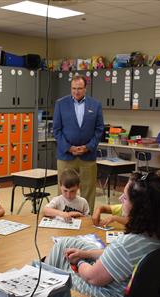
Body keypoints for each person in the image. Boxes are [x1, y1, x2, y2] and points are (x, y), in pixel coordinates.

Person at [46, 172, 160, 297]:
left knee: (59, 271)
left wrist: (78, 262)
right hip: (146, 296)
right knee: (66, 243)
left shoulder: (127, 245)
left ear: (140, 208)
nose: (121, 198)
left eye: (125, 197)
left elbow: (91, 277)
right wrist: (85, 254)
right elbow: (119, 256)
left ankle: (42, 294)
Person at [53, 74, 104, 212]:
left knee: (88, 189)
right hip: (66, 156)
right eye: (74, 88)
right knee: (65, 190)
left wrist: (88, 147)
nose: (76, 91)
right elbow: (56, 130)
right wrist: (69, 148)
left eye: (80, 88)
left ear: (85, 88)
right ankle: (62, 216)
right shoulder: (61, 104)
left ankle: (87, 220)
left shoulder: (95, 105)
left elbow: (99, 130)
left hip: (87, 156)